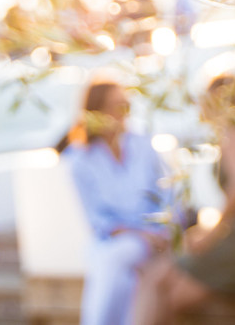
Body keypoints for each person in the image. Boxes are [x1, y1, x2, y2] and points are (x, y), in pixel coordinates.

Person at [130, 73, 235, 325]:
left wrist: (213, 232)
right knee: (159, 278)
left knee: (165, 291)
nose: (199, 105)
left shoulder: (232, 134)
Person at [62, 76, 173, 325]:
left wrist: (161, 232)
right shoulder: (79, 159)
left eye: (127, 105)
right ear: (96, 111)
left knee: (112, 264)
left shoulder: (144, 145)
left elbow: (168, 195)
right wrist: (140, 233)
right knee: (122, 272)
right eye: (117, 106)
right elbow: (97, 220)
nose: (124, 113)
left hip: (155, 240)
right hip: (115, 242)